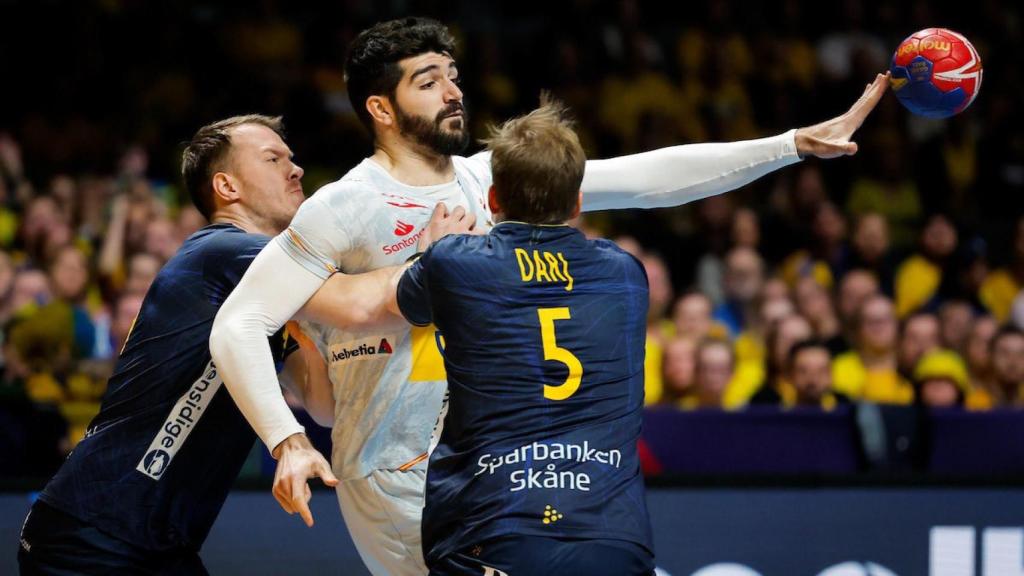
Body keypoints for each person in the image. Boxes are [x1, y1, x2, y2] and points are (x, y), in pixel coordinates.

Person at [209, 17, 889, 575]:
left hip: (491, 475)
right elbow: (238, 324)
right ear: (380, 108)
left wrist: (790, 144)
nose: (452, 92)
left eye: (453, 76)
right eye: (427, 81)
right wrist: (287, 441)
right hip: (400, 474)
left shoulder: (485, 178)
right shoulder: (347, 205)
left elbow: (643, 179)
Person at [18, 114, 468, 575]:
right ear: (227, 187)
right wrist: (435, 259)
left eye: (292, 158)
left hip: (154, 542)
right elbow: (356, 302)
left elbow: (323, 403)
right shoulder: (223, 253)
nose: (294, 169)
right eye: (273, 159)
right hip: (93, 529)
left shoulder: (267, 292)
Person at [394, 99, 653, 574]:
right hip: (613, 539)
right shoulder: (626, 273)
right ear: (577, 203)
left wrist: (426, 251)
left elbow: (410, 305)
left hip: (492, 527)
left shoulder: (453, 261)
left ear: (492, 200)